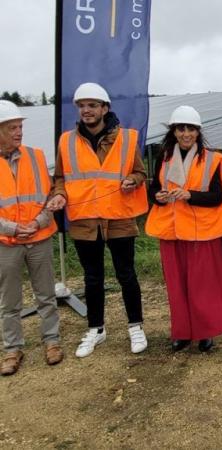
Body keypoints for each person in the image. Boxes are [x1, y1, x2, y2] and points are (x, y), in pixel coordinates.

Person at [46, 82, 149, 358]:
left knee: (127, 274)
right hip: (85, 221)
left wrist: (132, 180)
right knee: (93, 278)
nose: (86, 111)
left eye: (92, 105)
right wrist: (59, 195)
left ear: (105, 108)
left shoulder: (127, 138)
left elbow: (140, 173)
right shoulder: (66, 141)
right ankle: (96, 329)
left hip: (119, 218)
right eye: (82, 106)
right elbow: (61, 179)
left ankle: (135, 326)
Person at [145, 106, 222, 352]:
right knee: (176, 287)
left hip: (200, 233)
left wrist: (189, 195)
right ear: (173, 131)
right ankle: (182, 333)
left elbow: (216, 197)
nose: (185, 134)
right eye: (181, 129)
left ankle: (205, 332)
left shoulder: (212, 159)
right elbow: (153, 189)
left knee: (202, 287)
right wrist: (157, 197)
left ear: (197, 131)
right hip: (171, 232)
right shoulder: (164, 156)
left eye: (190, 129)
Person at [0, 100, 63, 376]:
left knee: (46, 295)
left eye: (20, 126)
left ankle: (52, 342)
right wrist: (13, 228)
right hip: (7, 243)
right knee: (9, 301)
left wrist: (37, 222)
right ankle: (12, 349)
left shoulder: (36, 157)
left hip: (39, 237)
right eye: (12, 127)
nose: (19, 132)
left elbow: (50, 196)